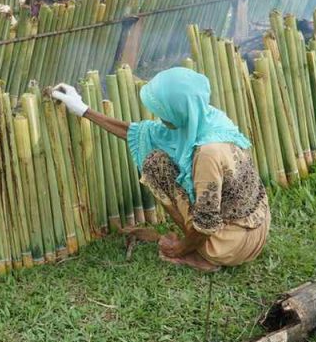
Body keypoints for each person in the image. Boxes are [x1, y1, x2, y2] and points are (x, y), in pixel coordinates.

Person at [51, 67, 270, 272]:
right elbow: (143, 132)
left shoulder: (208, 154)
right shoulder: (207, 117)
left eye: (163, 111)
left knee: (155, 166)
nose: (159, 116)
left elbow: (207, 224)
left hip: (231, 245)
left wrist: (179, 249)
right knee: (161, 160)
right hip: (258, 229)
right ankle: (203, 248)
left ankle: (202, 256)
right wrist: (83, 110)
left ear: (178, 110)